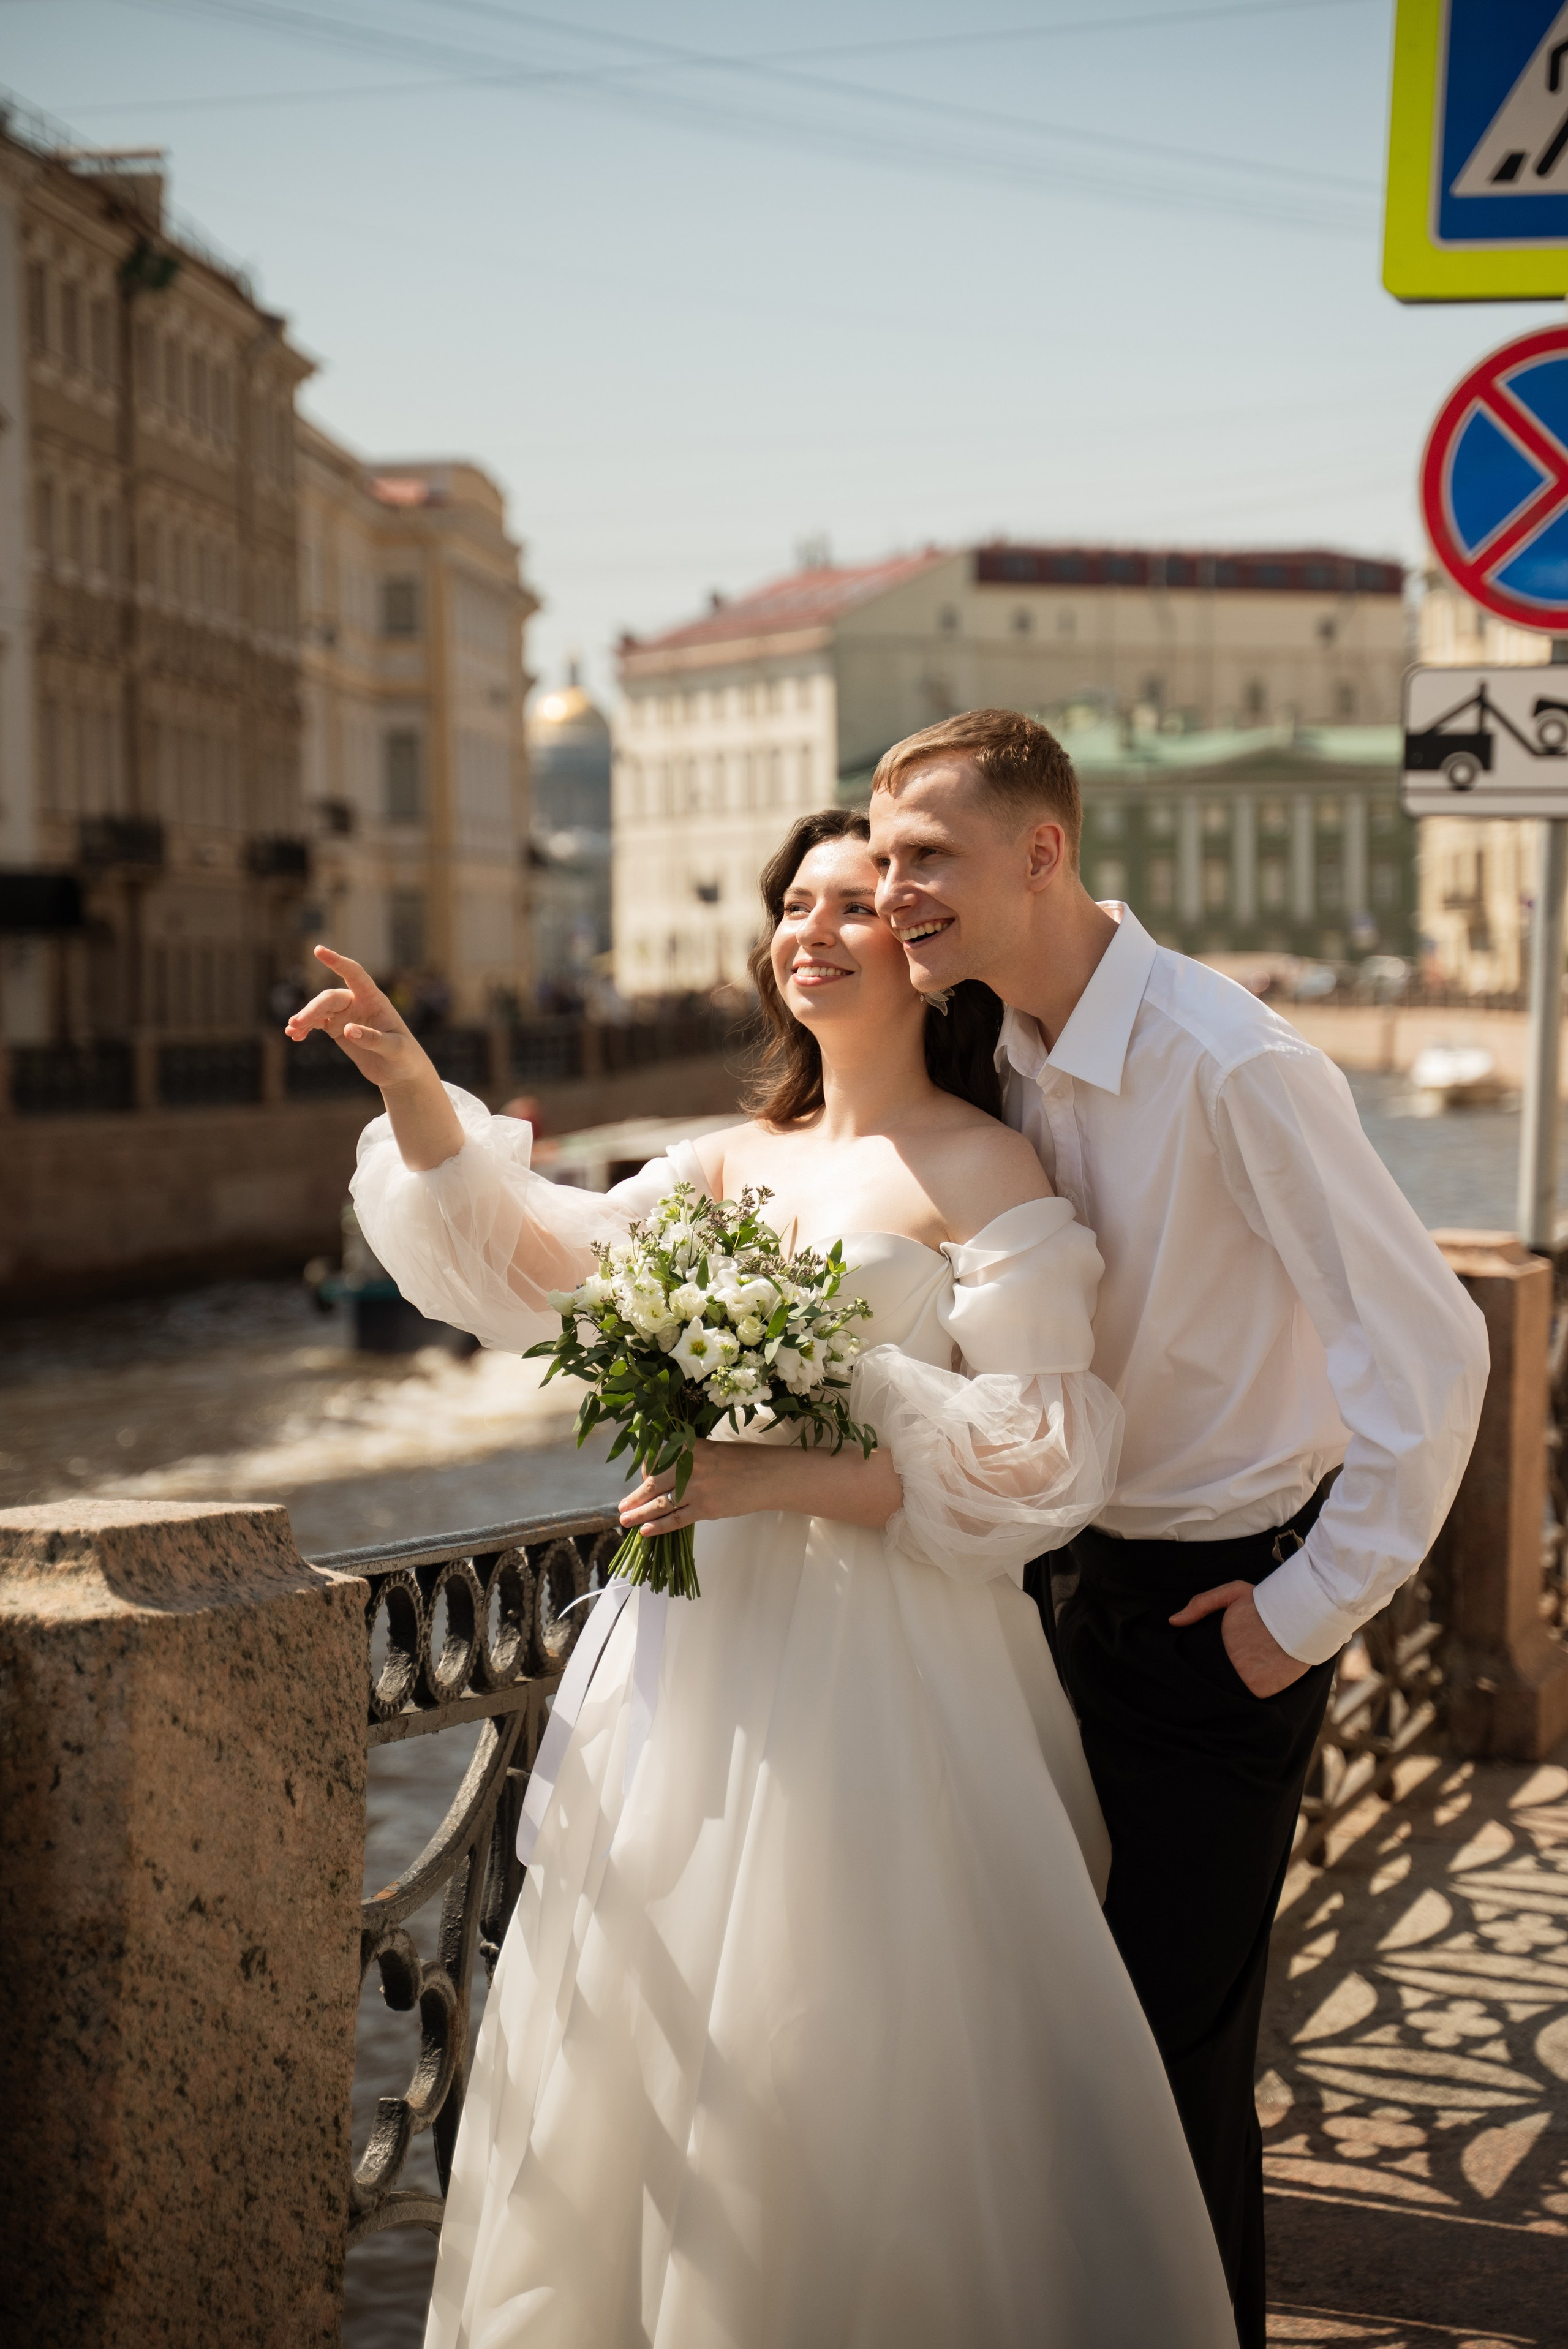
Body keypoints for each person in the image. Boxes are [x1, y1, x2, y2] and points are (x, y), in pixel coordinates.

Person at [286, 810, 1238, 2349]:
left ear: (920, 948)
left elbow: (1042, 1454)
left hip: (895, 1663)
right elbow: (531, 1265)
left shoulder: (984, 1163)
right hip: (691, 1658)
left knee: (854, 2020)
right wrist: (412, 1088)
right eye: (793, 902)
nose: (811, 929)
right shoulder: (720, 1160)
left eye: (855, 903)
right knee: (662, 2020)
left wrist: (775, 1477)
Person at [867, 708, 1490, 2349]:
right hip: (1041, 1593)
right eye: (882, 856)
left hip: (1215, 1607)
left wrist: (1299, 1615)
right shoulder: (988, 1045)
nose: (893, 888)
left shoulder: (1235, 1061)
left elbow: (1434, 1355)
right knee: (1050, 2049)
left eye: (926, 855)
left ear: (1042, 851)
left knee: (1164, 2072)